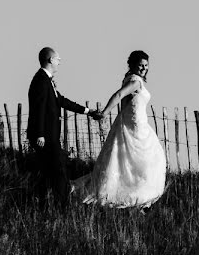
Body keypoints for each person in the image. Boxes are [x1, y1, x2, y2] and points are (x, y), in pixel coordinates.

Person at [71, 50, 167, 209]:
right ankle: (136, 199)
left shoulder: (130, 78)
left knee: (134, 163)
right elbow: (118, 96)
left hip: (137, 125)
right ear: (133, 65)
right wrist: (104, 112)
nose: (144, 68)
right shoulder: (135, 81)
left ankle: (138, 202)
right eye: (140, 65)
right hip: (135, 128)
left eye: (146, 65)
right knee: (144, 163)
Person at [27, 47, 102, 208]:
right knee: (59, 170)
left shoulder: (47, 80)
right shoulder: (41, 80)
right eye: (58, 59)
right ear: (50, 60)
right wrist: (40, 133)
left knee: (49, 171)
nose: (59, 63)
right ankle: (63, 206)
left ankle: (41, 203)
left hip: (50, 135)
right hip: (45, 136)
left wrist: (87, 111)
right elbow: (38, 107)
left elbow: (61, 101)